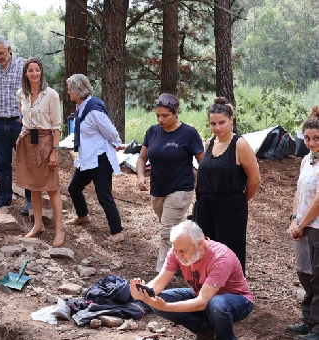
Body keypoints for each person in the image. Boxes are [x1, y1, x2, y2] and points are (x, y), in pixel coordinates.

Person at [130, 220, 254, 340]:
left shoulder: (221, 257)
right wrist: (141, 294)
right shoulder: (177, 251)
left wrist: (166, 307)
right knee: (159, 299)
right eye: (175, 250)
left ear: (200, 243)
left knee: (217, 304)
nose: (178, 255)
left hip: (236, 300)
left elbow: (202, 302)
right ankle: (206, 332)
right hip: (203, 295)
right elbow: (158, 284)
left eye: (182, 251)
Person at [137, 93, 205, 271]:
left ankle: (162, 274)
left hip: (180, 189)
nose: (161, 119)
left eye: (165, 115)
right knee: (170, 230)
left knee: (166, 233)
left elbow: (203, 161)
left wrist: (207, 184)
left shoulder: (188, 133)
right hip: (158, 189)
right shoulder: (152, 131)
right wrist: (140, 176)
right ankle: (189, 259)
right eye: (158, 115)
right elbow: (142, 158)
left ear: (175, 113)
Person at [193, 97, 261, 273]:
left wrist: (241, 200)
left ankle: (231, 291)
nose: (217, 127)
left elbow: (254, 179)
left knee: (229, 250)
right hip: (205, 205)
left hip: (231, 206)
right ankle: (206, 289)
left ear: (231, 120)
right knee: (206, 250)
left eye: (221, 122)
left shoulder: (240, 144)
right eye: (213, 124)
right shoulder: (209, 143)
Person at [65, 74, 124, 243]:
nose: (68, 92)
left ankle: (117, 232)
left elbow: (110, 130)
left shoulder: (94, 109)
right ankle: (83, 216)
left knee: (103, 195)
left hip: (100, 158)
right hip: (87, 157)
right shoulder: (80, 106)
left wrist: (115, 143)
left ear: (78, 90)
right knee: (74, 187)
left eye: (70, 89)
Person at [14, 58, 64, 247]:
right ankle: (38, 225)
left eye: (37, 70)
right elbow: (24, 115)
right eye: (30, 70)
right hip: (28, 141)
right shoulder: (21, 94)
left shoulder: (51, 95)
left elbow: (57, 126)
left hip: (45, 140)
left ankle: (59, 229)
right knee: (33, 186)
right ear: (25, 74)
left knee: (51, 187)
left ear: (41, 72)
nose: (34, 74)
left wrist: (54, 151)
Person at [0, 35, 32, 214]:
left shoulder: (22, 66)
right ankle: (4, 198)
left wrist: (24, 117)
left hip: (18, 122)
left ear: (9, 49)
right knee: (2, 163)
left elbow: (31, 92)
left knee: (25, 162)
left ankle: (30, 200)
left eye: (2, 53)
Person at [286, 106, 319, 340]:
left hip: (317, 226)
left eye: (316, 138)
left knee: (318, 277)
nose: (311, 142)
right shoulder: (307, 160)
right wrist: (294, 219)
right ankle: (308, 319)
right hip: (303, 225)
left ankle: (318, 328)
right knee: (305, 274)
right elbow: (299, 191)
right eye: (307, 138)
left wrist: (303, 222)